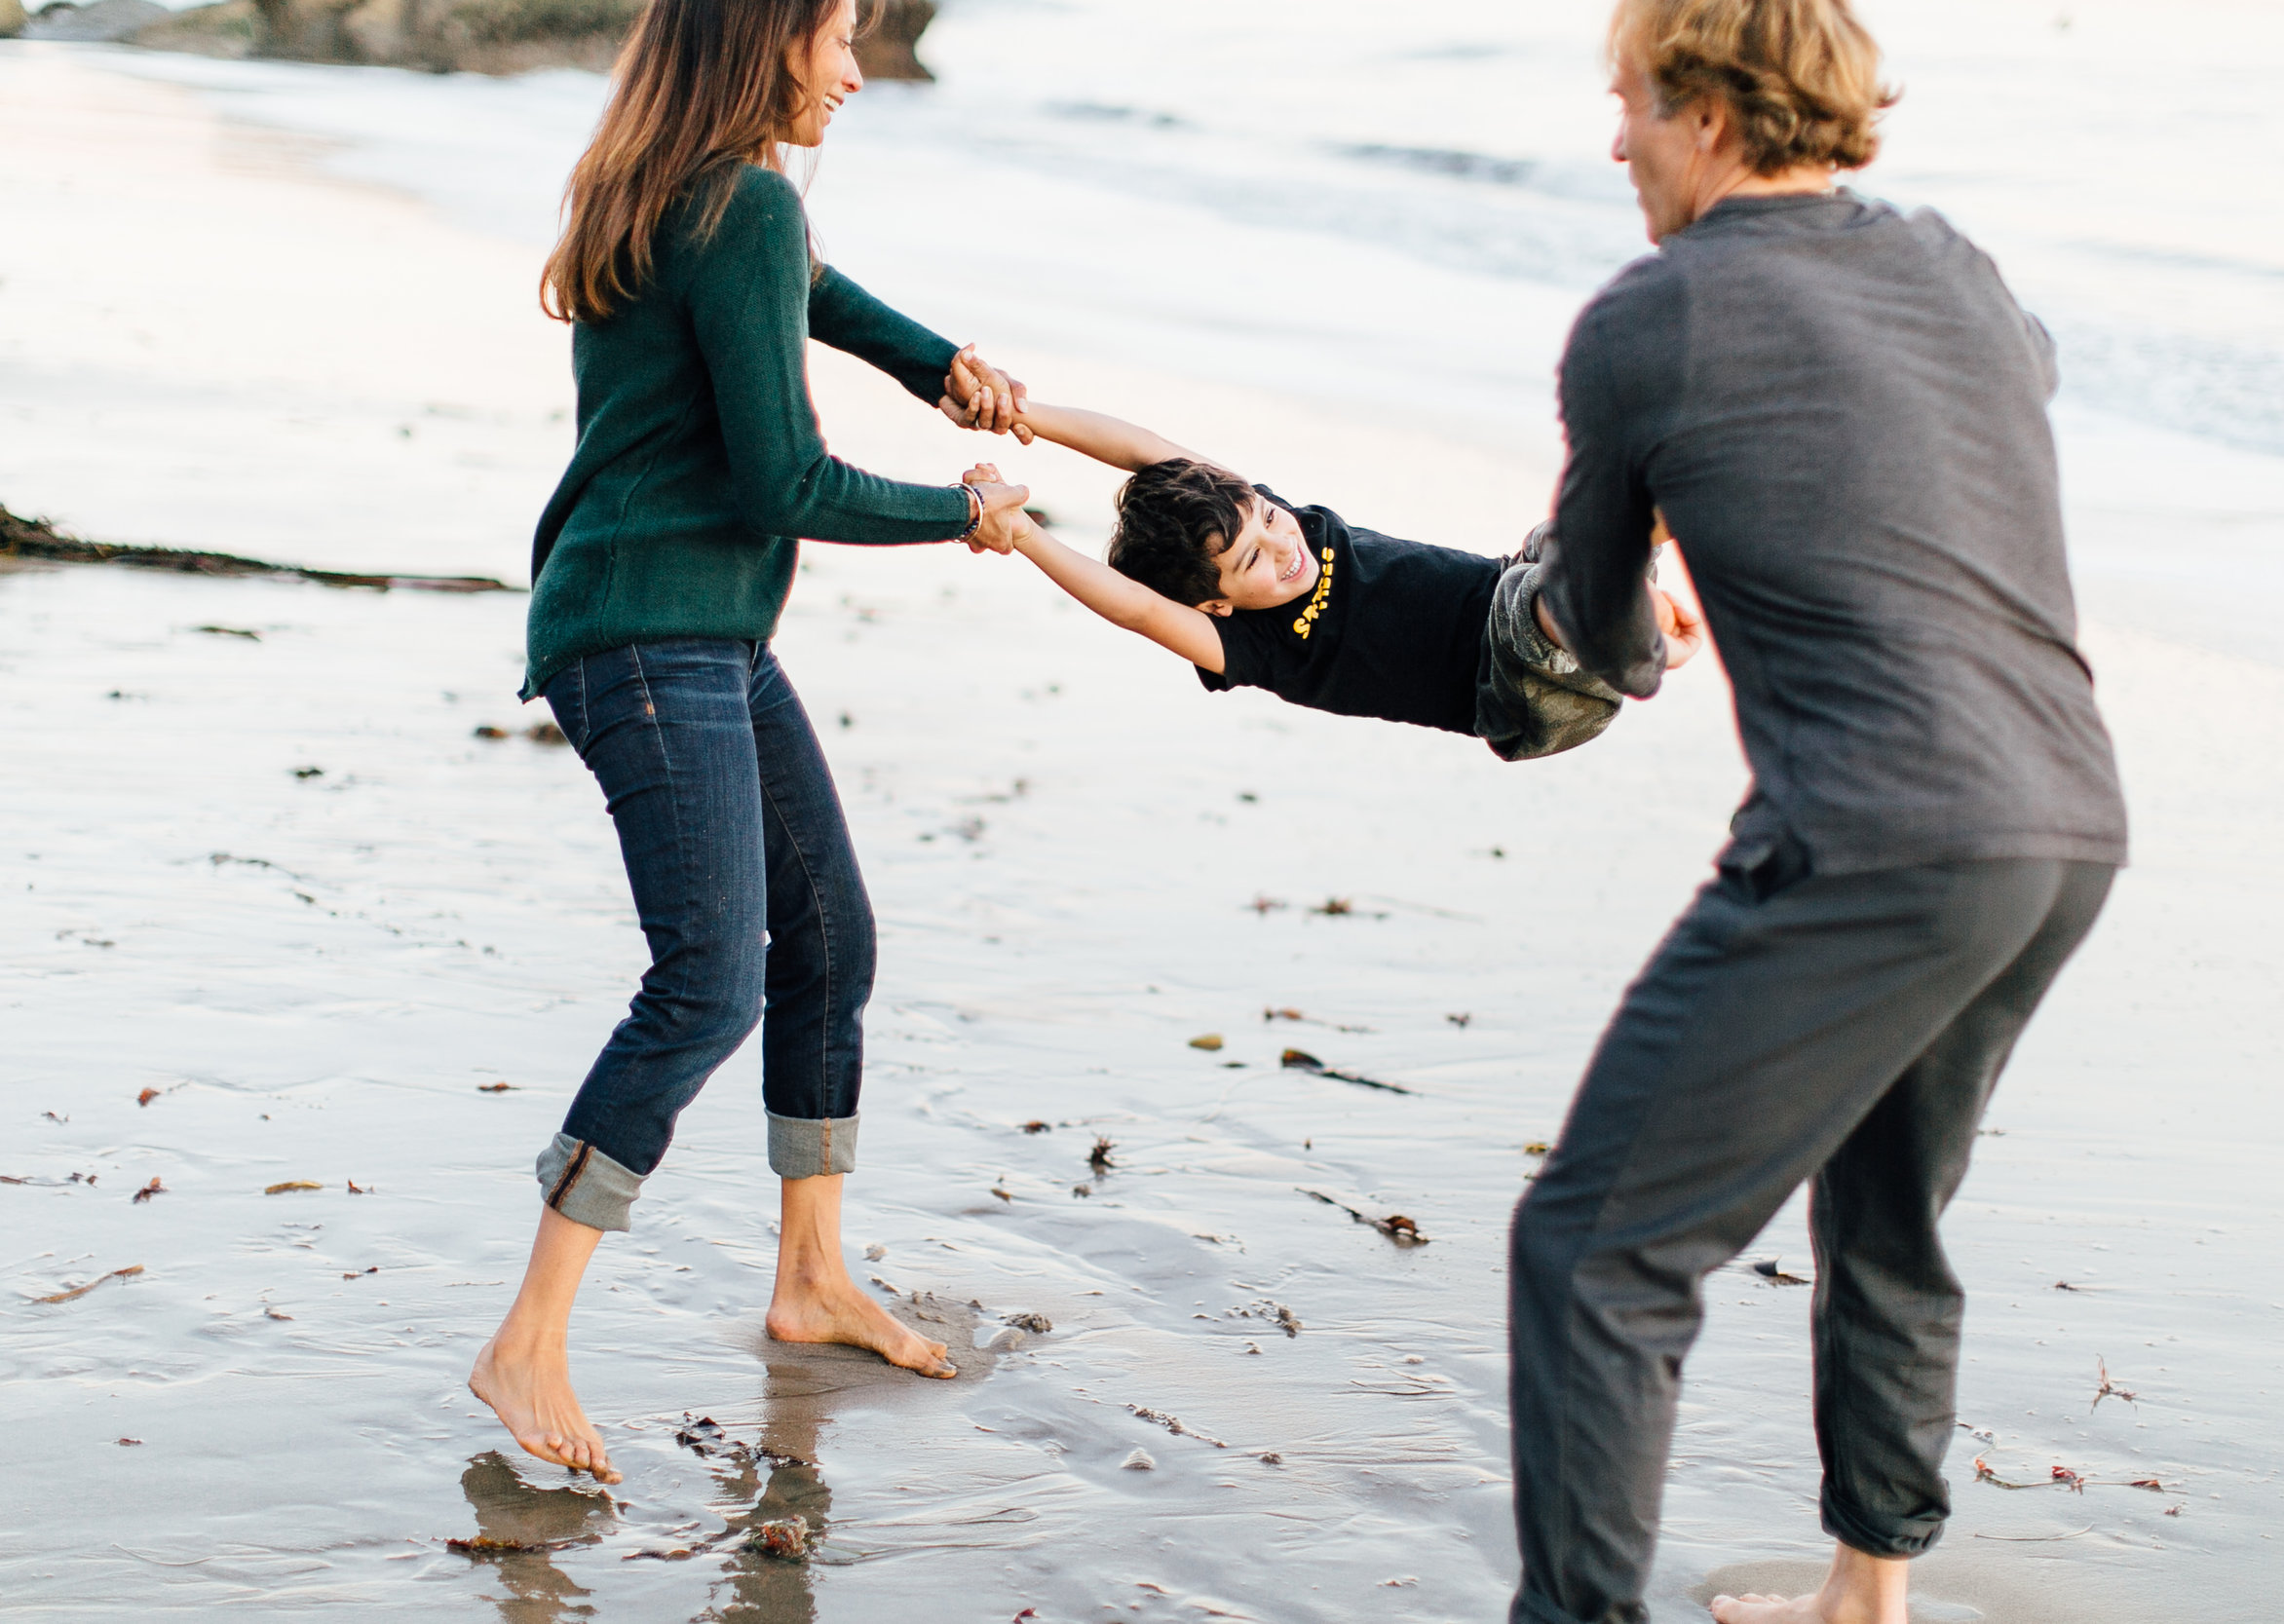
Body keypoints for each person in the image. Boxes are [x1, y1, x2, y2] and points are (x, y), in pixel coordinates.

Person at [1504, 2, 2128, 1621]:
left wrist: (1624, 595)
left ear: (1708, 111)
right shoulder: (1960, 267)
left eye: (1632, 103)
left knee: (1595, 1252)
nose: (1617, 137)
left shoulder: (1649, 320)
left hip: (1874, 834)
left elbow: (1608, 638)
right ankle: (1871, 1592)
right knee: (1887, 1205)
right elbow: (1983, 402)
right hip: (2062, 823)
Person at [467, 0, 1039, 1486]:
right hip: (656, 637)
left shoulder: (674, 180)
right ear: (766, 37)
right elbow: (787, 477)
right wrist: (964, 510)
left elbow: (813, 291)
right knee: (710, 974)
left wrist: (939, 360)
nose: (856, 70)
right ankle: (528, 1332)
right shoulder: (746, 203)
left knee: (829, 938)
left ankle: (811, 1277)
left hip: (681, 627)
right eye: (841, 36)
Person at [944, 391, 1702, 756]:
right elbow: (1137, 609)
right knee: (1544, 594)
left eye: (1271, 520)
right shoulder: (1253, 645)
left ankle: (1647, 592)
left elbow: (1144, 448)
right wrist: (1024, 536)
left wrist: (1020, 415)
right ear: (1216, 603)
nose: (1283, 546)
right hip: (1510, 686)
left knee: (1571, 529)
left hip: (1518, 591)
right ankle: (1632, 625)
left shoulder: (1249, 511)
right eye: (1254, 564)